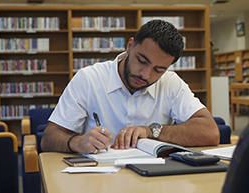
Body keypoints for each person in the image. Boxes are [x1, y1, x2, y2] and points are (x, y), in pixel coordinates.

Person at [40, 19, 219, 154]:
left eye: (159, 69)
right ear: (130, 46)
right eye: (142, 61)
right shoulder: (89, 78)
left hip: (154, 181)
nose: (145, 75)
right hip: (98, 179)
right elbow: (49, 138)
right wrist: (76, 142)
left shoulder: (172, 83)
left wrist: (151, 131)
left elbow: (210, 132)